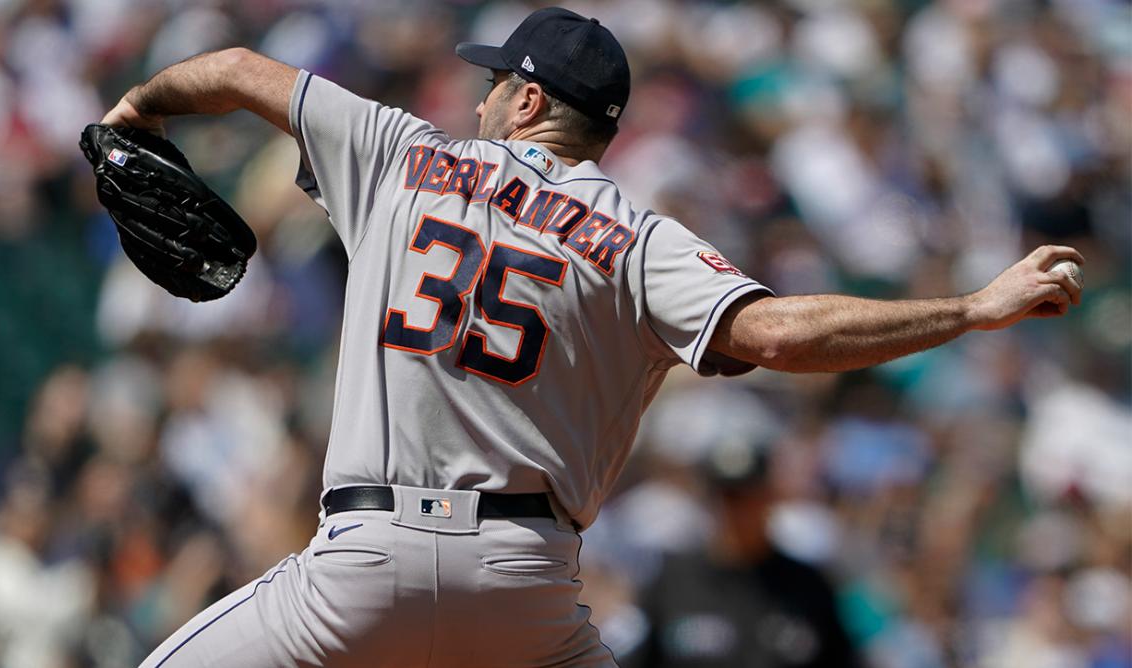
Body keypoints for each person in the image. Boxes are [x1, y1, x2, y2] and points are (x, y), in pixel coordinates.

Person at [98, 7, 1083, 667]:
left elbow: (233, 70)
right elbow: (780, 334)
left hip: (363, 565)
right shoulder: (640, 239)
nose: (479, 99)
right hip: (523, 584)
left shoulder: (403, 151)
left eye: (494, 84)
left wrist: (138, 109)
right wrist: (970, 308)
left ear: (527, 101)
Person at [624, 440, 861, 668]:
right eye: (726, 496)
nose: (734, 509)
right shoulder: (672, 582)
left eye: (747, 496)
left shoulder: (810, 587)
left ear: (769, 499)